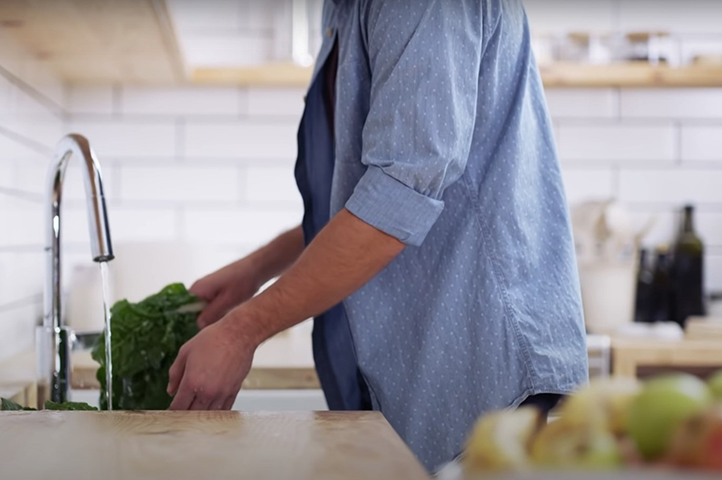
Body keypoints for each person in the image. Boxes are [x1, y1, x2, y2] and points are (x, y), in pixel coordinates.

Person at [167, 0, 588, 471]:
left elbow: (400, 196)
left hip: (484, 370)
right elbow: (368, 202)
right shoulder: (346, 10)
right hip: (432, 366)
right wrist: (255, 269)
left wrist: (243, 330)